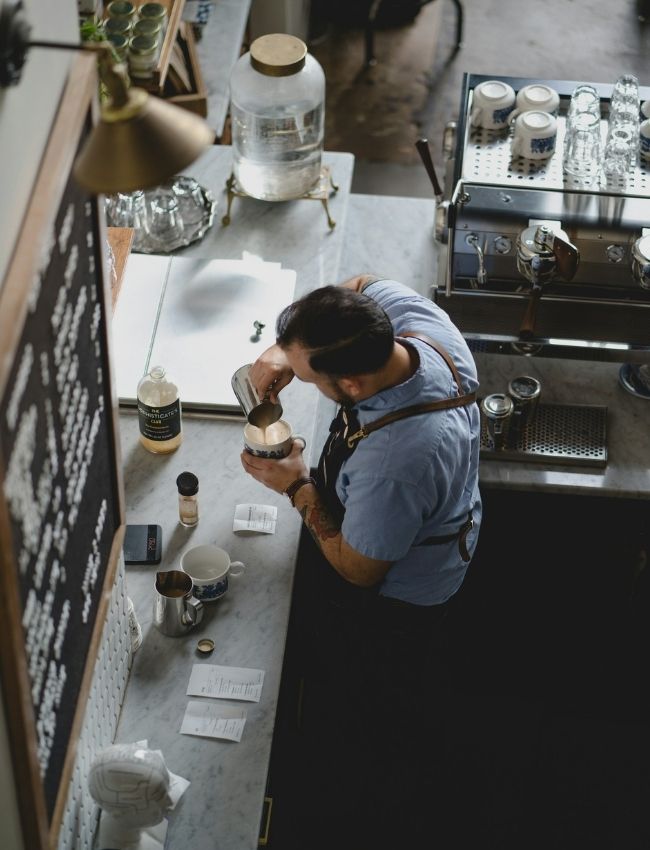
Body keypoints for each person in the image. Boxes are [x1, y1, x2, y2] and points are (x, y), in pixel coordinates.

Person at [240, 274, 482, 848]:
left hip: (402, 596)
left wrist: (297, 486)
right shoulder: (422, 328)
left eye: (306, 378)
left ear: (348, 381)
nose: (296, 381)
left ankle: (367, 799)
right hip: (444, 514)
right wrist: (283, 349)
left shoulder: (395, 461)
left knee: (369, 697)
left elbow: (359, 568)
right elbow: (359, 283)